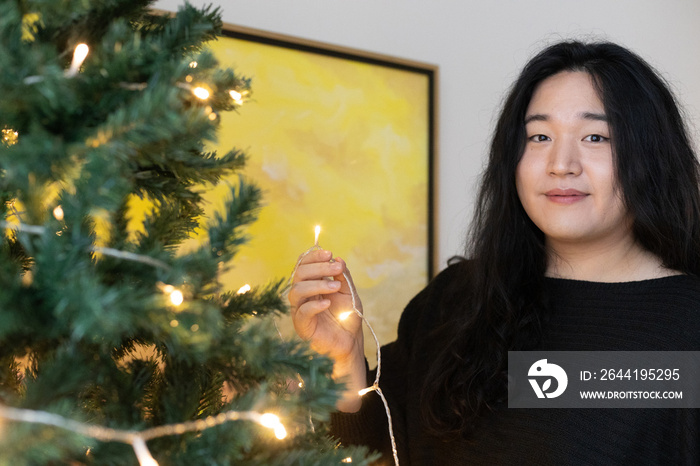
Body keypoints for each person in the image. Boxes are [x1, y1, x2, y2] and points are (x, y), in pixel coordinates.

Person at [288, 40, 700, 465]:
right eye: (539, 136)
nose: (561, 163)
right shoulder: (452, 300)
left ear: (650, 155)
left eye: (596, 136)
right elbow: (378, 451)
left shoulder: (686, 324)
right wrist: (342, 363)